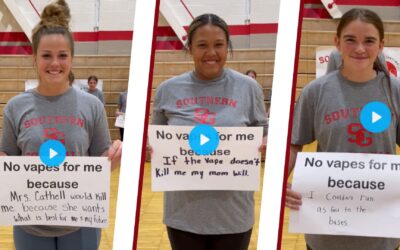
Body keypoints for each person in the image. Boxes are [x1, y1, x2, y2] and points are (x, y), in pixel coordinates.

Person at [0, 1, 122, 249]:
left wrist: (114, 157)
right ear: (34, 58)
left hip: (81, 223)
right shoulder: (15, 107)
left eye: (62, 55)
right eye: (46, 55)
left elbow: (101, 160)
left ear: (72, 58)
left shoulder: (91, 105)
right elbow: (8, 161)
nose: (54, 63)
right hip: (30, 222)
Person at [286, 8, 400, 250]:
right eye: (350, 40)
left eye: (369, 41)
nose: (360, 48)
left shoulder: (395, 91)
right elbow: (294, 144)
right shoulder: (315, 92)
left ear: (381, 45)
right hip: (325, 231)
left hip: (381, 234)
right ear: (337, 42)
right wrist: (279, 182)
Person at [151, 13, 268, 250]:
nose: (211, 53)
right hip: (183, 215)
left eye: (219, 45)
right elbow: (156, 138)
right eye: (202, 45)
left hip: (233, 215)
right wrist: (148, 148)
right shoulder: (168, 90)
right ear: (190, 48)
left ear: (228, 47)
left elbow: (264, 130)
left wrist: (267, 142)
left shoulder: (248, 88)